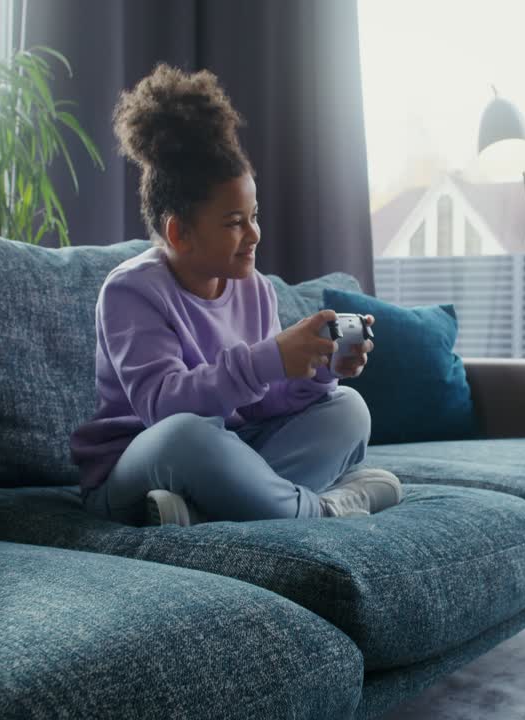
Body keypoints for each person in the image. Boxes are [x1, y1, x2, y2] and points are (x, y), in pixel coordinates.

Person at [69, 64, 402, 527]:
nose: (254, 234)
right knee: (187, 435)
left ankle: (208, 508)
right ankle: (324, 507)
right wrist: (270, 358)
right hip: (137, 466)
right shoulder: (130, 291)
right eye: (234, 222)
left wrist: (318, 371)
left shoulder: (255, 290)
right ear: (179, 233)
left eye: (254, 216)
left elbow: (261, 405)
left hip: (229, 453)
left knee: (347, 409)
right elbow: (162, 408)